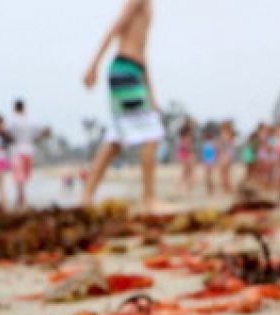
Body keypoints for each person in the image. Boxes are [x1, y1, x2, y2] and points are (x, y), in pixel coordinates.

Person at [81, 0, 163, 211]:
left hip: (131, 70)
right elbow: (115, 28)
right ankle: (149, 199)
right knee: (152, 136)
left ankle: (87, 196)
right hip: (125, 69)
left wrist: (151, 93)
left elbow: (142, 54)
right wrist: (93, 65)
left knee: (115, 140)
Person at [7, 100, 49, 209]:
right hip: (29, 151)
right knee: (24, 176)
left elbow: (7, 133)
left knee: (18, 176)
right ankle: (22, 198)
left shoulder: (12, 120)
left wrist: (13, 139)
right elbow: (46, 130)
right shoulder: (32, 120)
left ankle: (21, 198)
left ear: (15, 108)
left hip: (18, 150)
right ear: (24, 107)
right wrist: (36, 138)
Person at [177, 119, 196, 194]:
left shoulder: (184, 134)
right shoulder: (188, 134)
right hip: (186, 155)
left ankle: (183, 189)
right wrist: (191, 154)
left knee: (185, 173)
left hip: (184, 155)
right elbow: (186, 146)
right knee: (188, 173)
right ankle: (186, 189)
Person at [217, 120, 236, 194]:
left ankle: (226, 188)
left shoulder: (226, 134)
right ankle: (227, 188)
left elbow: (222, 145)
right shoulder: (230, 134)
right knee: (226, 173)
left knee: (224, 173)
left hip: (225, 155)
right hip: (227, 155)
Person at [201, 128, 219, 195]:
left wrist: (215, 161)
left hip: (210, 162)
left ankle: (211, 190)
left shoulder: (212, 143)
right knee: (207, 177)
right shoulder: (206, 143)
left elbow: (216, 153)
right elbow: (204, 154)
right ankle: (209, 190)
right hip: (207, 161)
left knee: (209, 177)